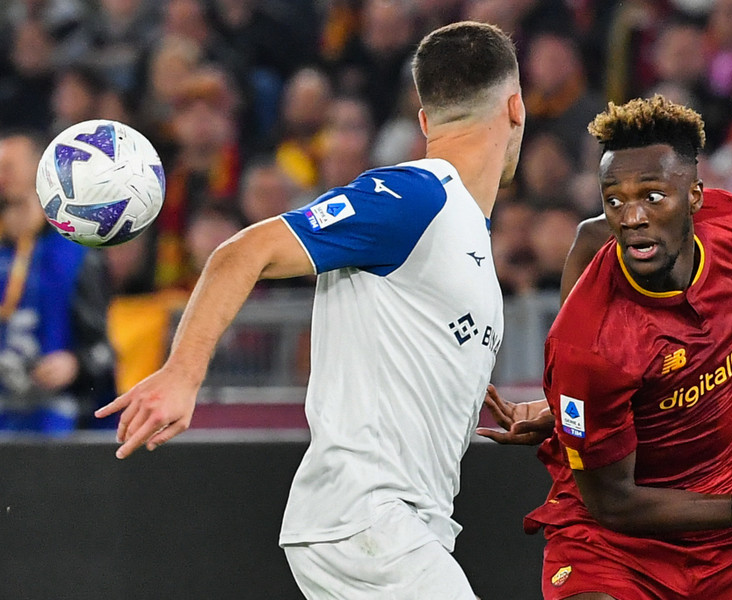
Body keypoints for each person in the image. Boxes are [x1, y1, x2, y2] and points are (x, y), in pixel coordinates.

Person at [95, 20, 525, 600]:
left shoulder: (460, 228)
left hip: (400, 526)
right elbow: (242, 251)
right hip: (366, 521)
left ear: (426, 121)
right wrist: (182, 372)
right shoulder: (415, 196)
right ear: (516, 109)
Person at [478, 96, 732, 599]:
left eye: (653, 196)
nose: (632, 218)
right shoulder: (592, 346)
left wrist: (565, 408)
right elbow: (613, 504)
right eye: (614, 199)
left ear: (696, 197)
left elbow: (591, 236)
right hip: (616, 545)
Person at [0, 132, 116, 433]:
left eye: (9, 165)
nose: (1, 174)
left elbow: (102, 349)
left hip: (57, 425)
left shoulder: (76, 252)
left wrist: (75, 364)